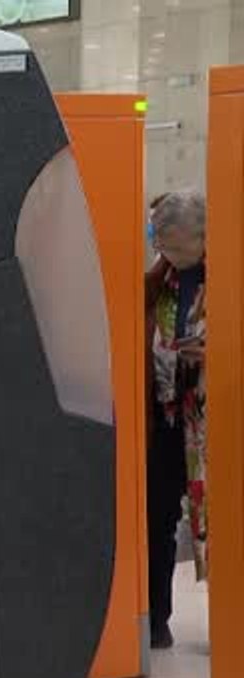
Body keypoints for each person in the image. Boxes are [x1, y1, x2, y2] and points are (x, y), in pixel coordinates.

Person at [144, 189, 207, 651]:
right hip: (167, 417)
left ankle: (227, 623)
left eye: (179, 248)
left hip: (210, 422)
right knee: (159, 517)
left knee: (222, 524)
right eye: (164, 247)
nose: (171, 256)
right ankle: (155, 618)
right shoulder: (161, 278)